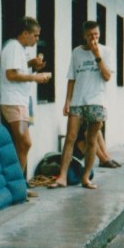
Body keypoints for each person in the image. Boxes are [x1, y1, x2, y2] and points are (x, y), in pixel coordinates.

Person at [50, 20, 114, 189]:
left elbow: (107, 76)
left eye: (96, 35)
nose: (93, 38)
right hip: (78, 100)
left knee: (91, 140)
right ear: (84, 36)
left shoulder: (106, 51)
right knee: (70, 137)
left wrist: (97, 55)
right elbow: (71, 78)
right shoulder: (77, 52)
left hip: (97, 101)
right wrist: (67, 101)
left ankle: (86, 177)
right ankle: (62, 176)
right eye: (90, 35)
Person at [0, 16, 52, 198]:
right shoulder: (13, 47)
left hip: (21, 101)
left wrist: (31, 65)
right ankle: (17, 185)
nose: (37, 39)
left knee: (20, 144)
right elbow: (11, 75)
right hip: (14, 102)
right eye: (35, 36)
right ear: (25, 33)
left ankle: (18, 184)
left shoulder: (18, 49)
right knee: (25, 143)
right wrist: (35, 77)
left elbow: (18, 69)